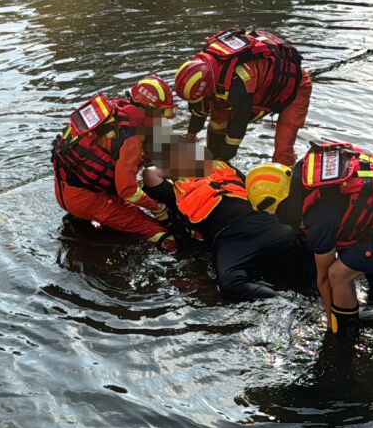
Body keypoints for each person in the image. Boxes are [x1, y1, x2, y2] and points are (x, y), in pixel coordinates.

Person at [245, 141, 373, 338]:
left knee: (338, 274)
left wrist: (330, 318)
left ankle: (345, 332)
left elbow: (324, 277)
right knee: (360, 252)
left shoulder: (316, 217)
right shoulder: (312, 174)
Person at [142, 138, 314, 300]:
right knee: (230, 284)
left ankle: (288, 296)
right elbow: (150, 175)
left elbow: (150, 175)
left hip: (255, 228)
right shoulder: (193, 182)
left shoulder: (215, 171)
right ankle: (282, 299)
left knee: (233, 283)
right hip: (239, 235)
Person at [52, 76, 179, 251]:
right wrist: (157, 208)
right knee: (158, 232)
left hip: (62, 189)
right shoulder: (133, 134)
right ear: (150, 110)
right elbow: (127, 190)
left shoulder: (112, 111)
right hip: (86, 200)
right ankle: (174, 253)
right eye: (162, 114)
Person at [173, 27, 312, 166]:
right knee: (217, 122)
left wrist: (222, 162)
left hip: (295, 86)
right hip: (256, 83)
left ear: (209, 87)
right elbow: (199, 109)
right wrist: (190, 136)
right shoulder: (203, 68)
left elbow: (238, 127)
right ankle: (214, 157)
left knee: (283, 148)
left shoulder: (239, 85)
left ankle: (286, 174)